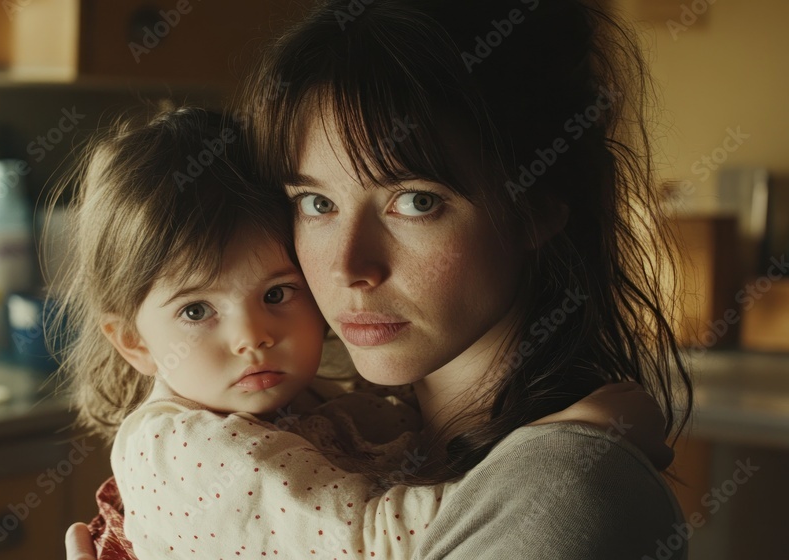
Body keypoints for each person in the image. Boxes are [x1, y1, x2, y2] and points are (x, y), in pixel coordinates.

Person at [54, 104, 679, 559]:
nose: (252, 336)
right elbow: (375, 543)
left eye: (277, 294)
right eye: (196, 311)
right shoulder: (184, 448)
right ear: (132, 341)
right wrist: (557, 440)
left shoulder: (316, 402)